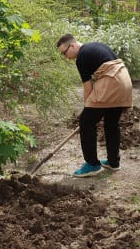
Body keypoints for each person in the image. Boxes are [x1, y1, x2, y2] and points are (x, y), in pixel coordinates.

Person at [56, 34, 132, 177]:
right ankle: (113, 161)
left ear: (72, 46)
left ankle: (92, 164)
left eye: (64, 53)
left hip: (112, 81)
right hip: (124, 81)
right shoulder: (95, 46)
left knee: (86, 121)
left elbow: (88, 87)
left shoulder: (82, 57)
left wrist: (87, 108)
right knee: (111, 122)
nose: (65, 57)